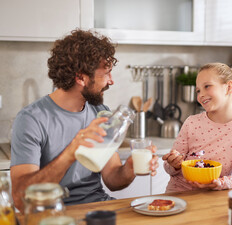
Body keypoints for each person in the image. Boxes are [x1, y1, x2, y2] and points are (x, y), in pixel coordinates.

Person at [10, 29, 158, 212]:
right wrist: (71, 152)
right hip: (54, 217)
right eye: (106, 74)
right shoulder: (31, 119)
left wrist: (129, 168)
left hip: (100, 208)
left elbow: (112, 179)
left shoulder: (100, 112)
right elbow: (20, 198)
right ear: (80, 77)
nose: (111, 82)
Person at [162, 63, 232, 192]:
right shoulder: (192, 123)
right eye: (198, 90)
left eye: (207, 86)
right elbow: (169, 169)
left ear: (229, 87)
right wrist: (173, 165)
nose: (201, 95)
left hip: (214, 197)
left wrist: (221, 183)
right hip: (180, 193)